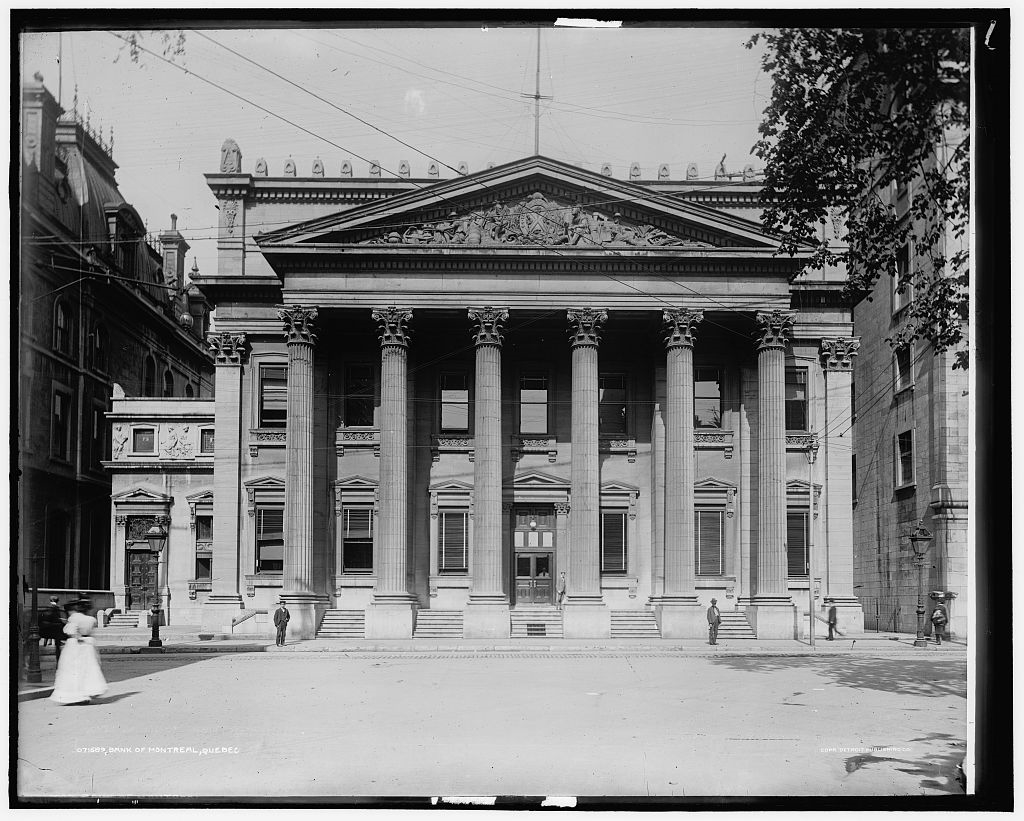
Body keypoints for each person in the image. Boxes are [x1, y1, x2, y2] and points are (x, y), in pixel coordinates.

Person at [50, 598, 107, 705]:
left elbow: (70, 631)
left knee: (73, 670)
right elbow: (90, 632)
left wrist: (76, 636)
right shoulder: (91, 619)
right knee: (87, 670)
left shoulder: (74, 618)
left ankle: (74, 694)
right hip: (88, 645)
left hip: (75, 645)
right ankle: (85, 694)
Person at [39, 596, 67, 661]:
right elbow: (58, 619)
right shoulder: (58, 608)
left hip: (47, 628)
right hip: (55, 629)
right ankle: (58, 660)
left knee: (57, 645)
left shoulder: (47, 608)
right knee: (58, 646)